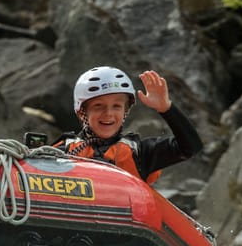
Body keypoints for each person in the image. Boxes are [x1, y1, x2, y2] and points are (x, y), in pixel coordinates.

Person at [54, 66, 202, 183]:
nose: (108, 113)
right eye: (98, 106)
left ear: (125, 111)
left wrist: (166, 109)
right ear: (82, 113)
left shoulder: (140, 153)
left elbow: (191, 147)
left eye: (116, 106)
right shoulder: (63, 150)